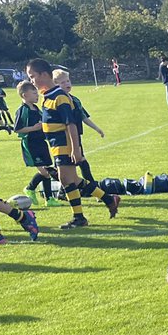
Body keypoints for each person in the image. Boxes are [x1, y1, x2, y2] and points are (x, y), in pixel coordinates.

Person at [24, 58, 119, 229]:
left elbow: (71, 124)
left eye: (32, 76)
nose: (31, 81)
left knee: (66, 180)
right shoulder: (47, 96)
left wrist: (75, 149)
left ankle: (79, 217)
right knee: (72, 179)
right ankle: (108, 199)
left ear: (44, 75)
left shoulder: (60, 96)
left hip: (65, 145)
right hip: (56, 146)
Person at [53, 70, 108, 189]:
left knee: (80, 162)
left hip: (75, 136)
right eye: (63, 82)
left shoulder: (75, 100)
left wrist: (97, 128)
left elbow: (83, 117)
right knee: (68, 166)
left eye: (68, 81)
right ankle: (91, 188)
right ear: (55, 85)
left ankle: (91, 187)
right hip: (63, 139)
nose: (67, 84)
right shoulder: (57, 101)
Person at [13, 82, 54, 204]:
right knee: (44, 172)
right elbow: (18, 129)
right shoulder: (22, 110)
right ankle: (30, 188)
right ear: (25, 95)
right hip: (31, 144)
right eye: (34, 93)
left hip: (41, 143)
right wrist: (33, 128)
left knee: (47, 171)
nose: (37, 95)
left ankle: (49, 199)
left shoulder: (36, 108)